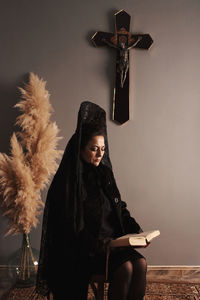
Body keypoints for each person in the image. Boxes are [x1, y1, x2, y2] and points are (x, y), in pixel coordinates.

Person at [35, 101, 147, 300]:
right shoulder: (70, 181)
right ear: (80, 149)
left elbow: (118, 206)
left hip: (113, 245)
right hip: (84, 250)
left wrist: (137, 232)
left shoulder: (104, 173)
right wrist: (97, 243)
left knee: (141, 264)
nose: (100, 154)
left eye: (103, 149)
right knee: (126, 269)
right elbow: (67, 225)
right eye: (94, 148)